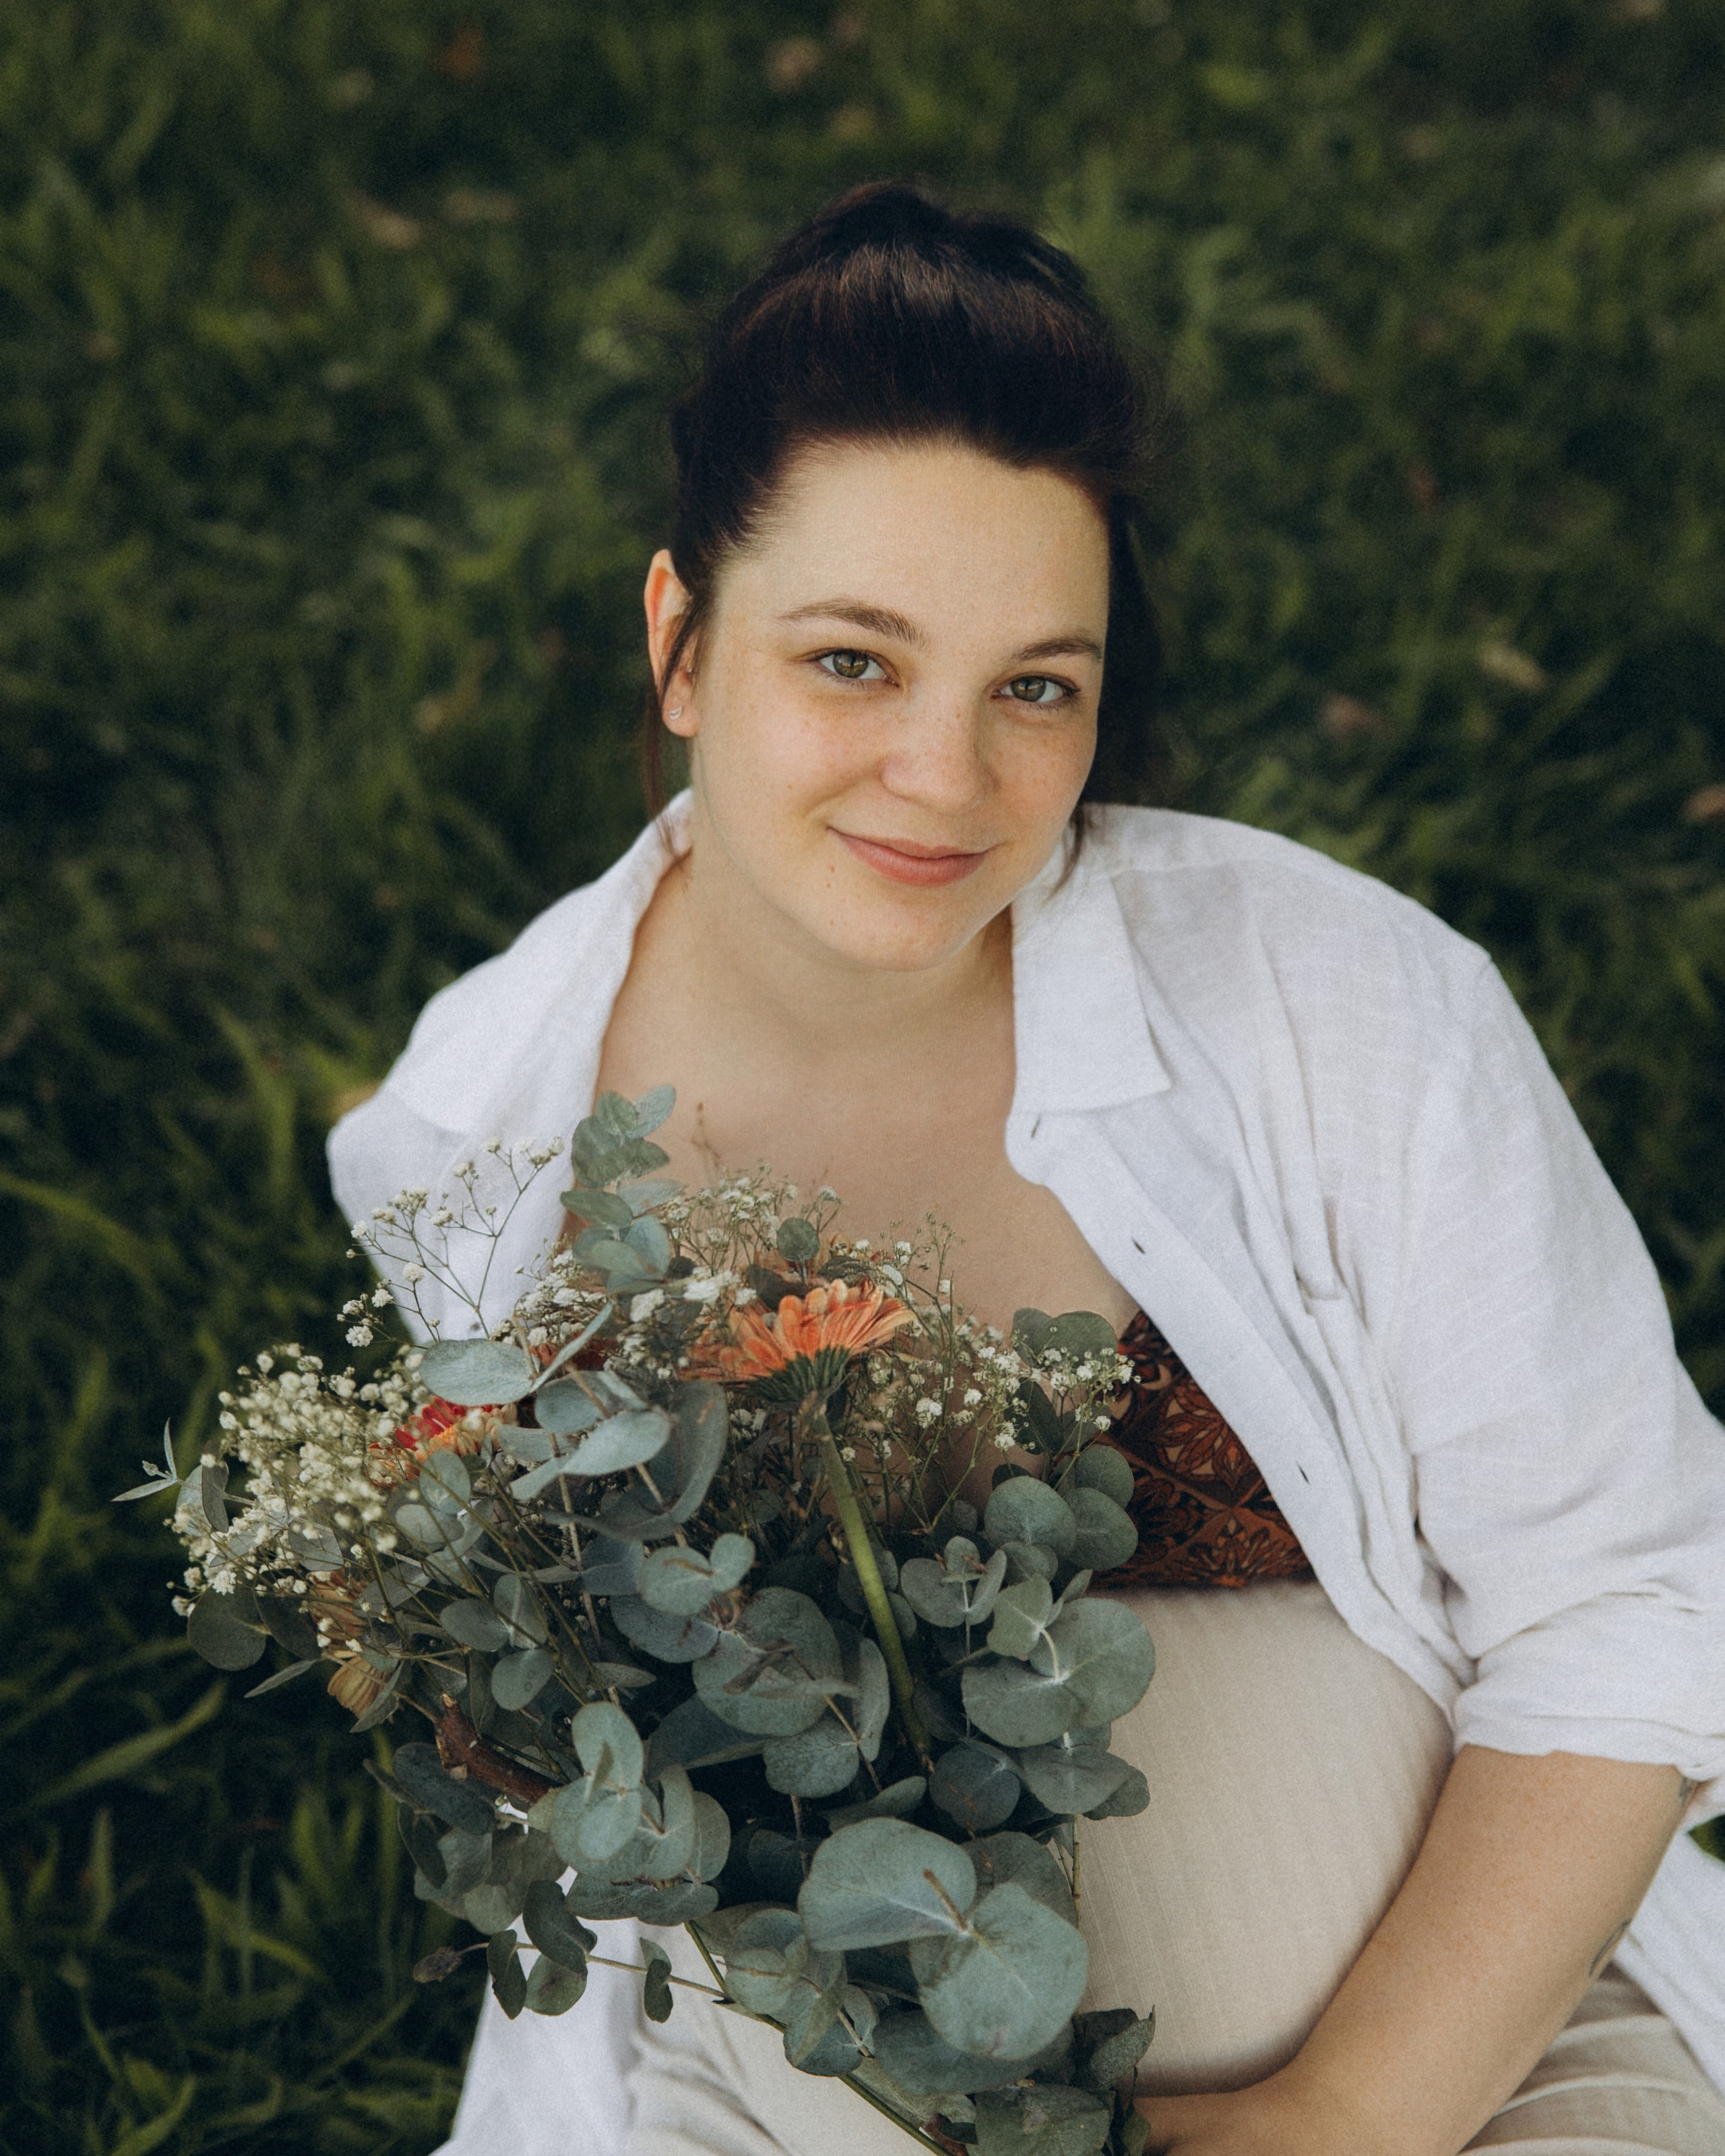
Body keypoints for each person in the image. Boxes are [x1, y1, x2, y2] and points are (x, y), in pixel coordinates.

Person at [328, 184, 1725, 2155]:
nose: (947, 778)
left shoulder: (1352, 1009)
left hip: (1478, 2056)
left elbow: (1637, 1598)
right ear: (678, 642)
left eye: (1034, 687)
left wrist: (1344, 2118)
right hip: (831, 2092)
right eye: (850, 663)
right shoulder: (474, 1144)